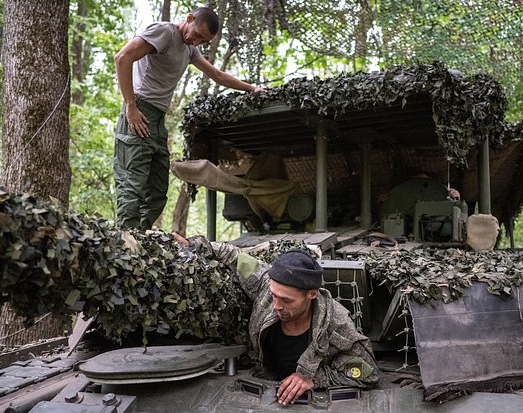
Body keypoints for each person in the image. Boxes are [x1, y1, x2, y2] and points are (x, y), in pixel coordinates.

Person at [174, 233, 379, 405]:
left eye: (287, 300)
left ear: (311, 295)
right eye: (274, 295)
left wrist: (315, 378)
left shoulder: (336, 323)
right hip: (262, 385)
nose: (276, 306)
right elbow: (237, 258)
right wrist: (195, 245)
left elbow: (367, 372)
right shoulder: (266, 285)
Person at [113, 7, 263, 229]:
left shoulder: (190, 49)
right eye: (197, 34)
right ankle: (123, 242)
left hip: (158, 120)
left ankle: (137, 238)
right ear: (190, 19)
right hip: (139, 111)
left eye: (203, 41)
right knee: (132, 183)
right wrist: (130, 106)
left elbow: (217, 75)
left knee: (157, 192)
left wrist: (252, 88)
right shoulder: (164, 32)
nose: (197, 41)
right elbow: (123, 57)